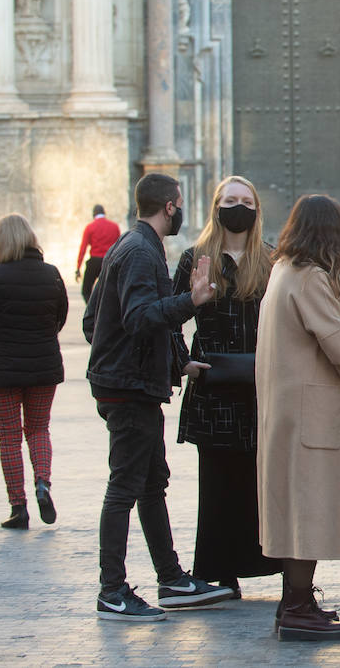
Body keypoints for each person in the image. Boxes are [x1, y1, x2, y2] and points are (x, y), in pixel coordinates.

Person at [83, 173, 236, 620]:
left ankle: (170, 579)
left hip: (130, 384)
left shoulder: (132, 247)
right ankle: (112, 590)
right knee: (125, 487)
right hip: (128, 391)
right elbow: (138, 317)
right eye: (181, 204)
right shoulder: (139, 252)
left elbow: (96, 321)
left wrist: (172, 362)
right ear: (171, 206)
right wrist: (192, 300)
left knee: (151, 483)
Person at [257, 194, 340, 641]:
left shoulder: (282, 270)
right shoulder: (310, 278)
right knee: (308, 507)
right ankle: (296, 604)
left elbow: (305, 326)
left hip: (285, 411)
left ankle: (299, 600)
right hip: (311, 413)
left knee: (292, 505)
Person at [172, 176, 280, 595]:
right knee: (216, 482)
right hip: (213, 384)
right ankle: (220, 569)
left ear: (256, 208)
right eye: (230, 200)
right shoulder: (195, 258)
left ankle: (263, 562)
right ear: (216, 206)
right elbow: (170, 314)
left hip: (258, 384)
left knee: (258, 479)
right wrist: (182, 361)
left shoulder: (270, 259)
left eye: (246, 201)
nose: (238, 207)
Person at [0, 214, 66, 529]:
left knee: (9, 436)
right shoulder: (52, 275)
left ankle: (19, 507)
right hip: (43, 365)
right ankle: (43, 483)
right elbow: (59, 318)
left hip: (1, 370)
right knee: (39, 429)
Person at [77, 204, 120, 303]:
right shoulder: (114, 227)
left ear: (93, 214)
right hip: (110, 261)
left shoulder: (90, 227)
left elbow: (83, 248)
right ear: (104, 213)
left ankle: (92, 310)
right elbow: (119, 246)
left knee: (86, 290)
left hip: (94, 261)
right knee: (110, 290)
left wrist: (78, 268)